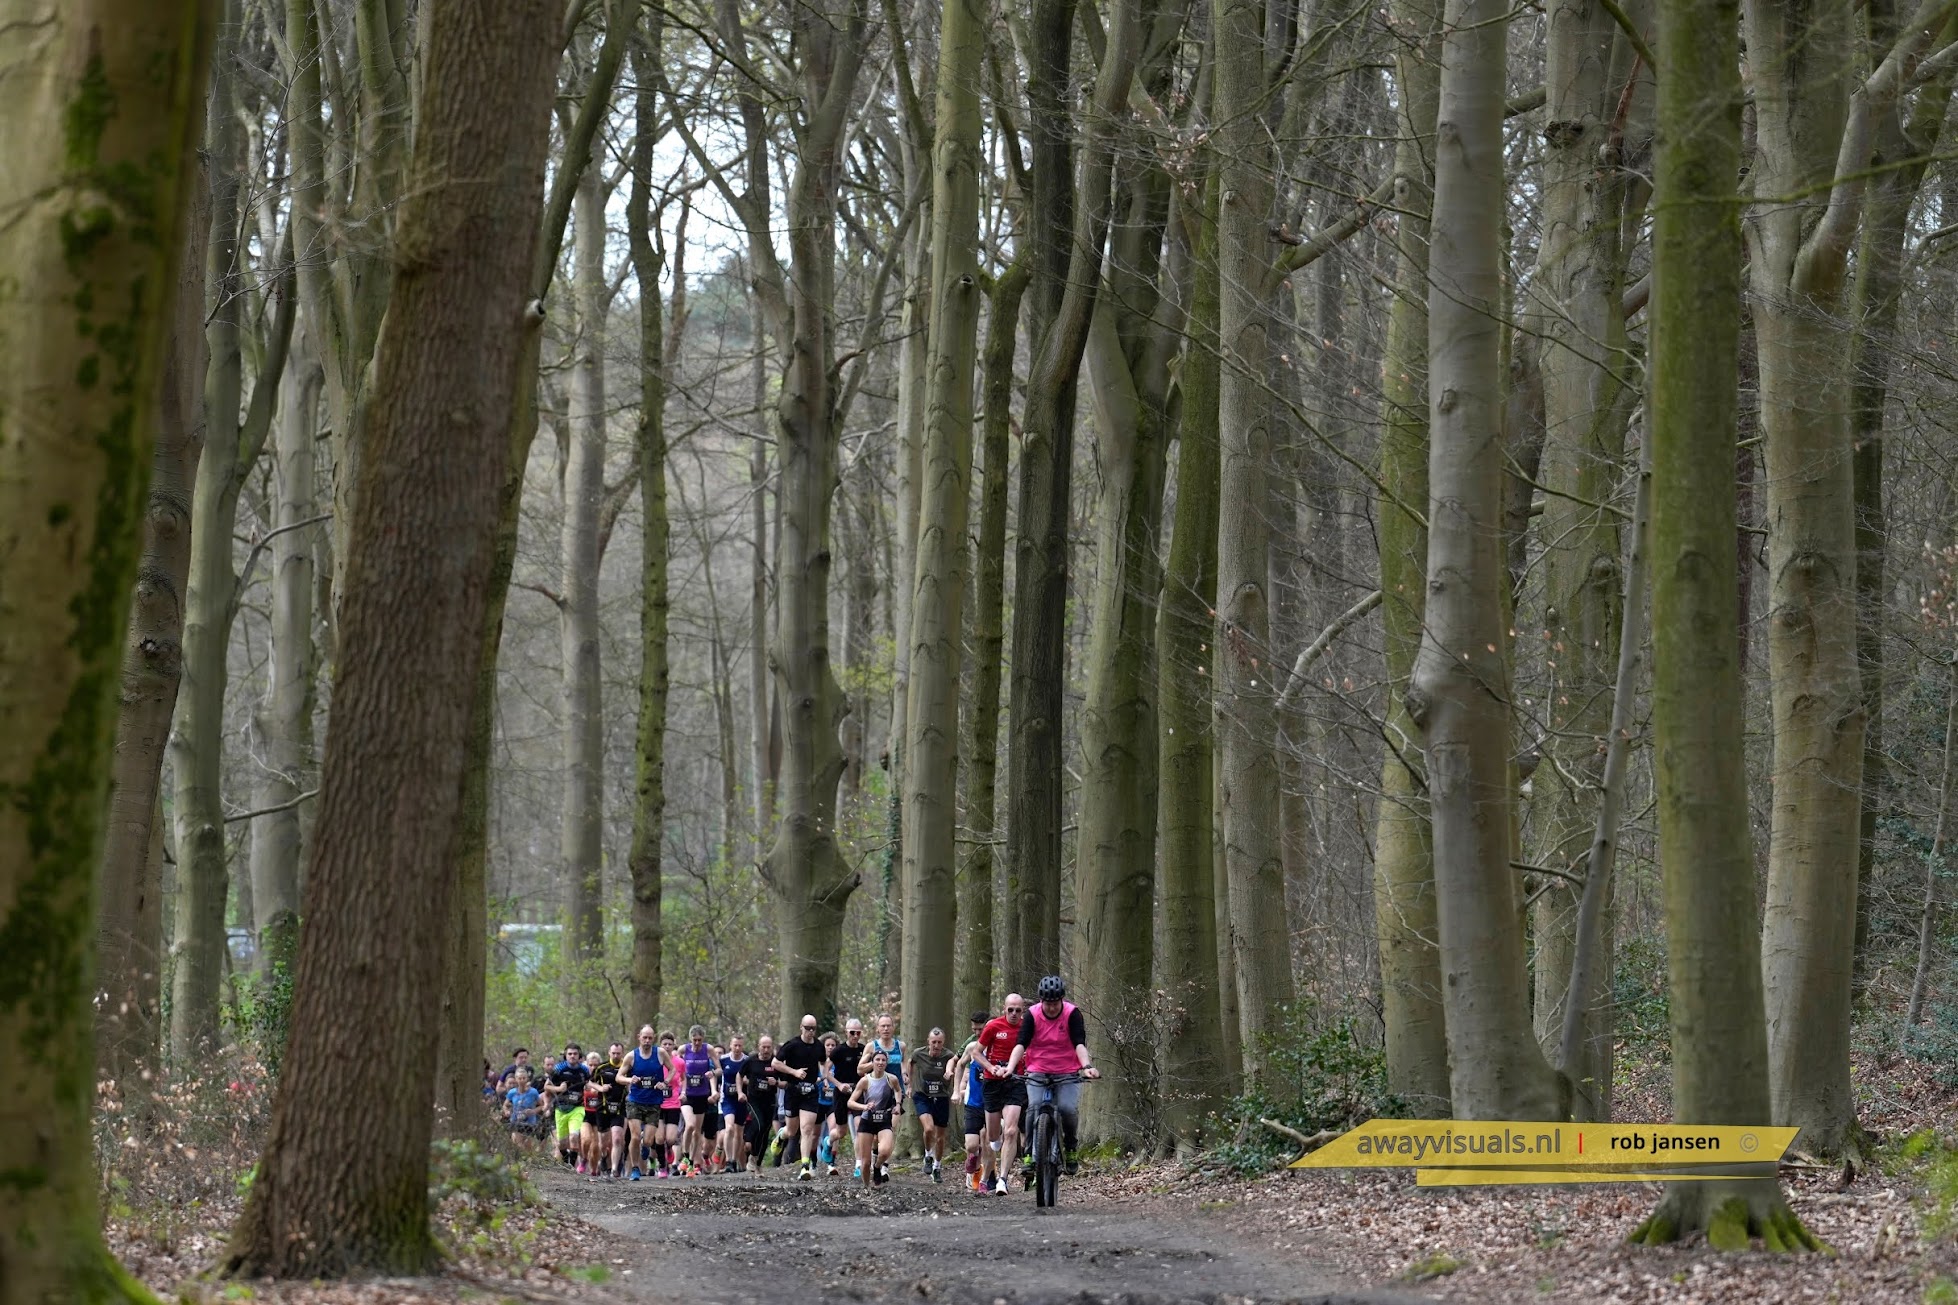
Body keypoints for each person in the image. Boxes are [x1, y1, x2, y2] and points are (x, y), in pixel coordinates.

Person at [1006, 974, 1100, 1178]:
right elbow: (1021, 1043)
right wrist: (1010, 1068)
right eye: (1047, 1003)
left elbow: (1079, 1043)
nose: (1051, 1008)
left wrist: (1087, 1066)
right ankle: (1029, 1154)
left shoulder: (1072, 1013)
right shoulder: (1032, 1014)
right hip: (1038, 1068)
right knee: (1033, 1107)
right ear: (1042, 1001)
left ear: (1061, 1000)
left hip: (1066, 1070)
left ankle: (1071, 1148)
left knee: (1067, 1109)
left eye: (1055, 1003)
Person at [974, 995, 1028, 1195]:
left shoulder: (1026, 1028)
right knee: (993, 1137)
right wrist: (991, 1067)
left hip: (1016, 1081)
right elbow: (976, 1053)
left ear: (1023, 1010)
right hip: (993, 1082)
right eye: (1010, 1010)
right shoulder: (993, 1026)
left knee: (1012, 1131)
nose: (1014, 1014)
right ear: (1004, 1009)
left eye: (1018, 1010)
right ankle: (994, 1151)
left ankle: (1003, 1180)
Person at [771, 1015, 828, 1181]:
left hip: (810, 1092)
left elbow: (824, 1062)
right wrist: (794, 1072)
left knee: (807, 1129)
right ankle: (782, 1135)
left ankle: (805, 1166)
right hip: (793, 1091)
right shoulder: (792, 1045)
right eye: (807, 1028)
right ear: (801, 1027)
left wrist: (823, 1078)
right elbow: (775, 1063)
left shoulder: (819, 1046)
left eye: (813, 1028)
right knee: (792, 1130)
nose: (810, 1032)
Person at [621, 1025, 669, 1181]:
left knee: (647, 1140)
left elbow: (673, 1069)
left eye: (650, 1038)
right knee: (635, 1137)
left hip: (654, 1102)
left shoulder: (660, 1053)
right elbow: (618, 1077)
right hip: (635, 1101)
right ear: (639, 1037)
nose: (647, 1041)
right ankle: (635, 1169)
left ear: (653, 1038)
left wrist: (665, 1082)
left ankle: (646, 1146)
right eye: (644, 1037)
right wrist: (630, 1079)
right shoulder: (631, 1056)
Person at [847, 1049, 899, 1188]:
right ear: (873, 1062)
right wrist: (863, 1107)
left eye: (883, 1060)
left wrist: (898, 1105)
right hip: (867, 1122)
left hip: (884, 1120)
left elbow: (898, 1091)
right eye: (877, 1060)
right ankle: (866, 1187)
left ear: (887, 1062)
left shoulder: (891, 1079)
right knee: (864, 1163)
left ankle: (877, 1167)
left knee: (886, 1150)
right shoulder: (865, 1081)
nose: (880, 1062)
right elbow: (850, 1102)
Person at [909, 1027, 955, 1182]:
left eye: (939, 1042)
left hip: (941, 1097)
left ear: (943, 1043)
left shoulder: (948, 1055)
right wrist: (909, 1084)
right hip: (923, 1095)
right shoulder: (918, 1053)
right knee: (928, 1129)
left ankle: (937, 1167)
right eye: (933, 1042)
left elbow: (953, 1064)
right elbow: (910, 1064)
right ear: (928, 1042)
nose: (936, 1045)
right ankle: (928, 1156)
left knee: (941, 1137)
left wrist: (949, 1073)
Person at [953, 1011, 988, 1192]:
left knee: (988, 1142)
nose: (977, 1033)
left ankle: (982, 1177)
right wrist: (956, 1091)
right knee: (972, 1145)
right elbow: (959, 1065)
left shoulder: (998, 1047)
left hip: (992, 1102)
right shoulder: (972, 1047)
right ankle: (972, 1163)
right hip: (973, 1101)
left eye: (980, 1029)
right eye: (974, 1029)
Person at [678, 1025, 719, 1176]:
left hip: (702, 1095)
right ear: (690, 1039)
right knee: (690, 1126)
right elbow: (674, 1066)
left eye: (699, 1040)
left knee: (697, 1132)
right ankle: (685, 1157)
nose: (697, 1043)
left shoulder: (708, 1049)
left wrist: (712, 1072)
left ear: (703, 1039)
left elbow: (719, 1069)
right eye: (694, 1040)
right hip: (687, 1094)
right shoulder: (683, 1050)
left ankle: (691, 1163)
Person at [830, 1019, 867, 1177]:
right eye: (852, 1032)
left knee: (860, 1128)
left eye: (858, 1033)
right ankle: (828, 1142)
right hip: (841, 1093)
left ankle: (858, 1164)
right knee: (841, 1132)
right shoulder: (838, 1051)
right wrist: (838, 1085)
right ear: (846, 1032)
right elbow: (826, 1072)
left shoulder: (863, 1049)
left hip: (857, 1092)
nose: (855, 1036)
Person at [544, 1044, 590, 1169]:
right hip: (561, 1108)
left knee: (574, 1138)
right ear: (565, 1055)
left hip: (577, 1107)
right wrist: (559, 1088)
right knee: (562, 1144)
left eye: (575, 1054)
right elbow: (546, 1087)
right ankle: (566, 1165)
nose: (572, 1056)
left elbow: (590, 1083)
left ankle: (571, 1165)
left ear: (579, 1056)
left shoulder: (584, 1070)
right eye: (570, 1054)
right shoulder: (558, 1069)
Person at [737, 1035, 778, 1172]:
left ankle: (758, 1163)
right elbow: (739, 1075)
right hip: (754, 1100)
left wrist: (776, 1083)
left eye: (768, 1047)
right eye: (763, 1047)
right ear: (758, 1047)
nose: (766, 1050)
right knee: (759, 1125)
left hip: (770, 1101)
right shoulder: (751, 1061)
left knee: (765, 1132)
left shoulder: (776, 1063)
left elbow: (785, 1082)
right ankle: (753, 1157)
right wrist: (740, 1092)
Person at [591, 1041, 630, 1178]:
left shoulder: (627, 1067)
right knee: (603, 1143)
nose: (615, 1055)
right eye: (613, 1053)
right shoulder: (601, 1068)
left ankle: (614, 1169)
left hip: (619, 1109)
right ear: (609, 1053)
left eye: (618, 1053)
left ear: (622, 1054)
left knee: (618, 1139)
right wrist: (601, 1088)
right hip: (603, 1108)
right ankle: (603, 1157)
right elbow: (590, 1082)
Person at [719, 1036, 749, 1172]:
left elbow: (751, 1077)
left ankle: (734, 1160)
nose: (737, 1048)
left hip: (741, 1100)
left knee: (739, 1132)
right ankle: (728, 1162)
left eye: (740, 1046)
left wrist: (746, 1082)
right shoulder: (723, 1059)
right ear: (730, 1045)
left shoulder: (747, 1060)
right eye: (735, 1045)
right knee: (729, 1127)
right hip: (727, 1100)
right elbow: (716, 1074)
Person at [658, 1031, 684, 1177]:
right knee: (659, 1138)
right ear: (660, 1045)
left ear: (674, 1045)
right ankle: (662, 1167)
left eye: (670, 1044)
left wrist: (683, 1092)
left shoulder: (679, 1062)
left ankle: (669, 1149)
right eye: (664, 1044)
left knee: (671, 1139)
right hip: (658, 1103)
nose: (667, 1047)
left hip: (673, 1103)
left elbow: (684, 1079)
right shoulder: (655, 1061)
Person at [503, 1065, 542, 1151]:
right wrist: (507, 1111)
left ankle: (528, 1163)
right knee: (518, 1145)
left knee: (527, 1148)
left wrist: (533, 1111)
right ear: (516, 1079)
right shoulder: (512, 1092)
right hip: (516, 1121)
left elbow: (541, 1105)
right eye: (519, 1078)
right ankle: (517, 1162)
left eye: (524, 1078)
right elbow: (505, 1104)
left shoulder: (533, 1092)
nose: (522, 1080)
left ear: (527, 1078)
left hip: (529, 1123)